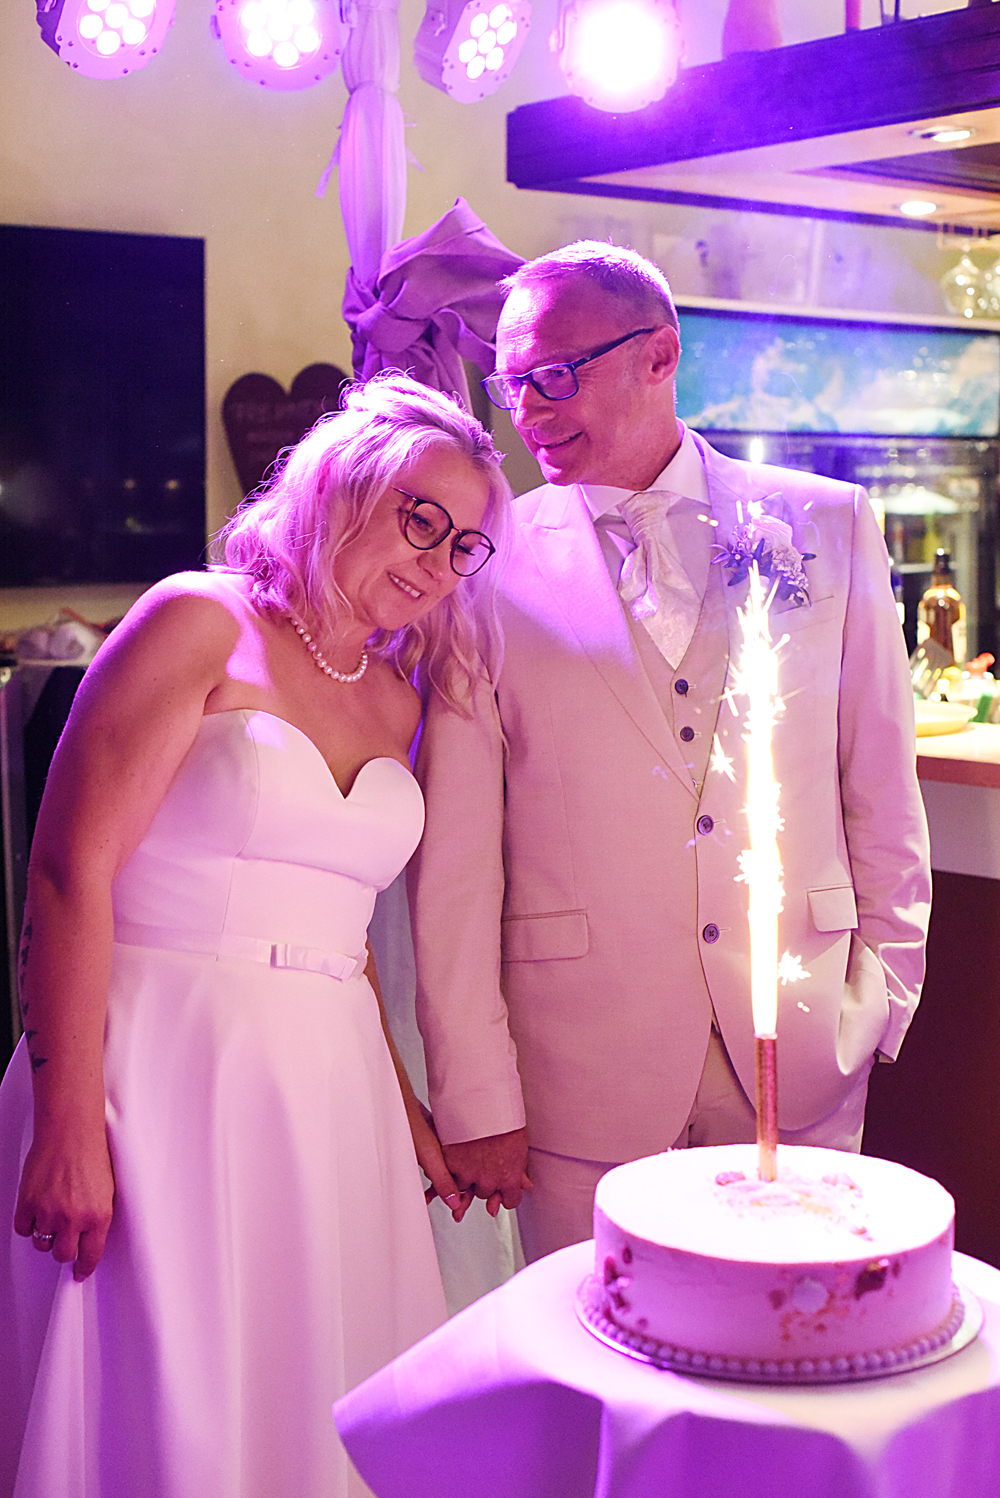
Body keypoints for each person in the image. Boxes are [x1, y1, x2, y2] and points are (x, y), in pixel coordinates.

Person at [0, 372, 510, 1498]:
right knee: (168, 1390)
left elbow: (345, 933)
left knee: (309, 1390)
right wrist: (67, 1117)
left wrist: (405, 1110)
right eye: (420, 519)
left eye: (463, 544)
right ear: (342, 490)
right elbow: (70, 871)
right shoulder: (198, 619)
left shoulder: (396, 698)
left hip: (326, 1092)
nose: (437, 562)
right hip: (160, 1067)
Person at [409, 242, 931, 1262]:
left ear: (659, 355)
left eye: (556, 374)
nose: (528, 409)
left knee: (793, 1328)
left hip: (800, 1045)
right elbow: (458, 858)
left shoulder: (827, 522)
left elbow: (879, 783)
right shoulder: (482, 563)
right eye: (511, 383)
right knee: (596, 1343)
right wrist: (475, 1090)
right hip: (577, 1076)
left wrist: (881, 995)